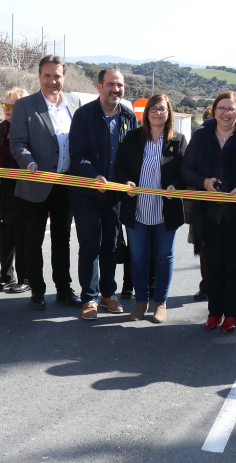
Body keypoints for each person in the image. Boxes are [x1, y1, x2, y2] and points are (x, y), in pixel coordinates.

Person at [182, 91, 236, 333]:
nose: (226, 113)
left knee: (235, 267)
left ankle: (231, 315)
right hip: (208, 214)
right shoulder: (201, 136)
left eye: (231, 109)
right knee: (214, 265)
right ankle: (214, 312)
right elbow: (186, 168)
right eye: (222, 108)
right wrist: (204, 181)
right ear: (214, 110)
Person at [9, 56, 83, 310]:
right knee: (33, 240)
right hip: (35, 185)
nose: (53, 81)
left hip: (66, 184)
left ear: (64, 77)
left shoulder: (74, 103)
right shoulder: (24, 105)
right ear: (39, 76)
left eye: (57, 76)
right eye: (47, 76)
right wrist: (28, 163)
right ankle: (37, 290)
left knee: (63, 240)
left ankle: (64, 289)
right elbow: (17, 143)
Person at [69, 66, 137, 320]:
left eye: (119, 85)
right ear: (99, 87)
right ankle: (89, 298)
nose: (115, 89)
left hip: (114, 195)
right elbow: (78, 155)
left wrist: (128, 180)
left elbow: (132, 158)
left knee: (110, 245)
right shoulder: (84, 115)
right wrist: (93, 176)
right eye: (110, 84)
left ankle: (108, 295)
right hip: (85, 192)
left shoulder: (129, 118)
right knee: (90, 244)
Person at [115, 93, 188, 323]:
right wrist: (126, 183)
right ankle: (140, 302)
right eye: (153, 108)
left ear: (169, 113)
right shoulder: (133, 137)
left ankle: (160, 303)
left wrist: (175, 185)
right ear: (146, 112)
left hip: (166, 211)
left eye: (162, 109)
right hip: (137, 209)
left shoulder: (178, 140)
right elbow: (120, 168)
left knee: (164, 257)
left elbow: (186, 173)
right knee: (138, 257)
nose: (158, 113)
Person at [0, 88, 28, 291]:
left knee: (22, 236)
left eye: (13, 106)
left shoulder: (29, 128)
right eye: (6, 105)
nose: (8, 110)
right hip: (4, 192)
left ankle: (25, 279)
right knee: (5, 234)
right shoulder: (3, 127)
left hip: (23, 191)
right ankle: (6, 276)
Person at [185, 106, 214, 302]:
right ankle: (206, 286)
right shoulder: (198, 141)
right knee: (203, 250)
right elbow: (187, 172)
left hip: (224, 206)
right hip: (200, 205)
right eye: (209, 119)